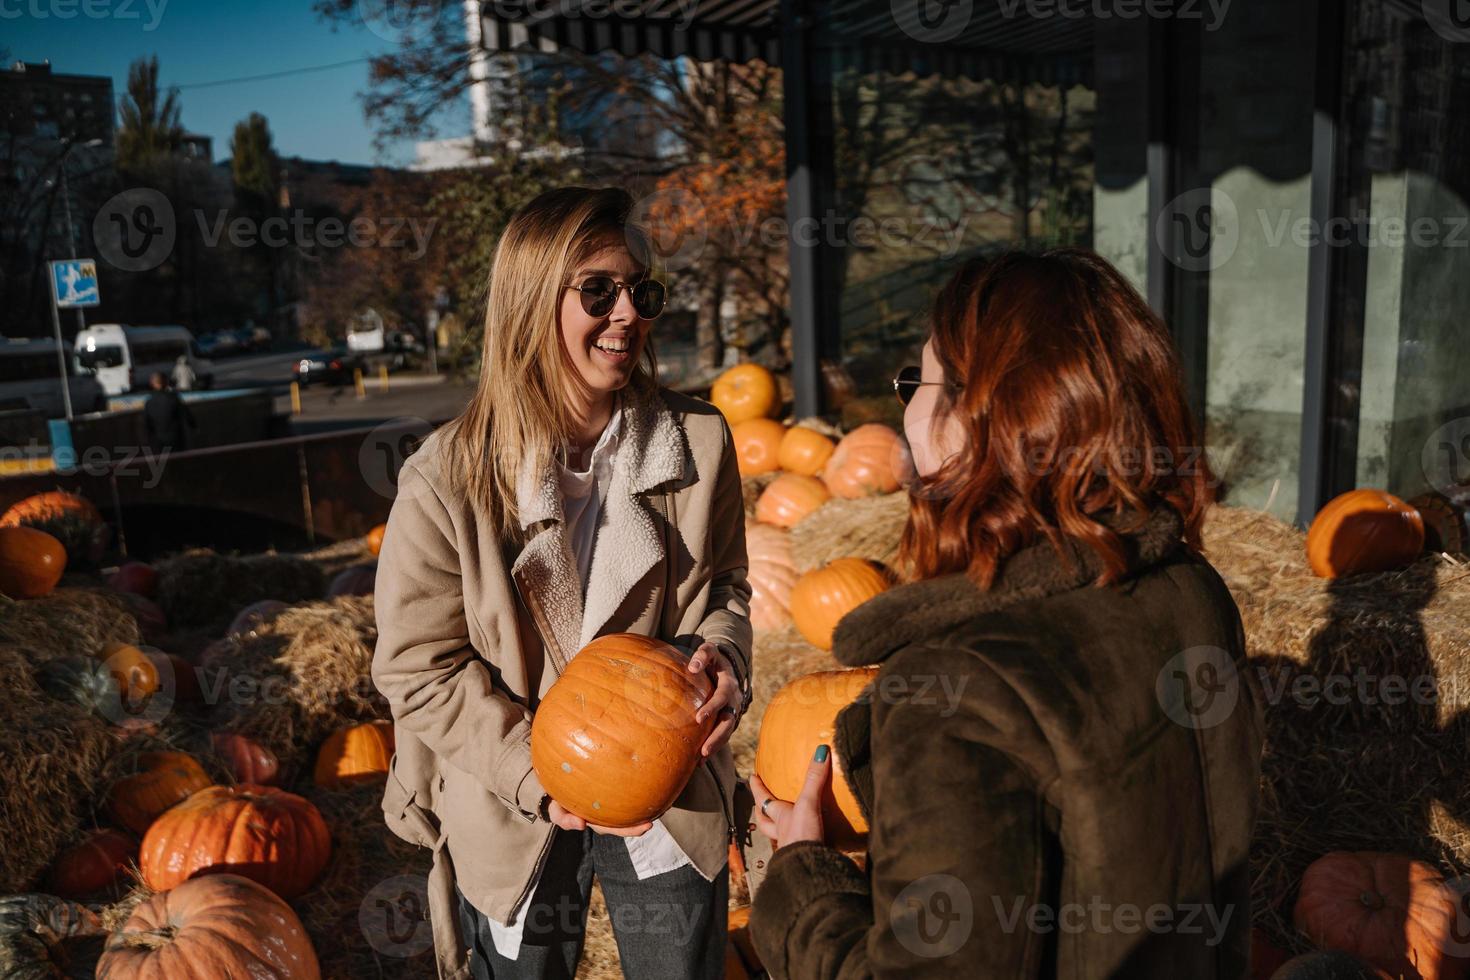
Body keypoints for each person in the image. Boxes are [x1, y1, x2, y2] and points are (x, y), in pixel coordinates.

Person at [748, 249, 1264, 978]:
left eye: (913, 383)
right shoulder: (1189, 590)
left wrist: (802, 878)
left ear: (976, 418)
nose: (904, 413)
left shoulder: (956, 688)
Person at [372, 186, 753, 980]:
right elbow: (418, 667)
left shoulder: (700, 442)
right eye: (598, 291)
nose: (627, 314)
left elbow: (728, 591)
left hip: (664, 772)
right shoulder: (447, 478)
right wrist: (534, 773)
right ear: (529, 299)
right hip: (509, 788)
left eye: (641, 292)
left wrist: (726, 658)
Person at [142, 371, 193, 453]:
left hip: (159, 443)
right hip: (176, 440)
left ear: (152, 384)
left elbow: (146, 424)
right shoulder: (173, 398)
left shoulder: (149, 403)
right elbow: (186, 415)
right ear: (166, 382)